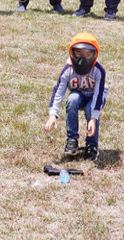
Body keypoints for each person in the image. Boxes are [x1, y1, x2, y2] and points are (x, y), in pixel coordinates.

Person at [45, 32, 108, 162]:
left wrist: (93, 118)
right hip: (78, 93)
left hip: (95, 97)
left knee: (90, 109)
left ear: (94, 54)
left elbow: (98, 93)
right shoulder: (68, 69)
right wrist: (53, 114)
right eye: (78, 53)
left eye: (88, 54)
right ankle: (72, 139)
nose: (82, 59)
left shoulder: (99, 71)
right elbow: (59, 91)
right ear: (72, 52)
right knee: (72, 100)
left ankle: (91, 145)